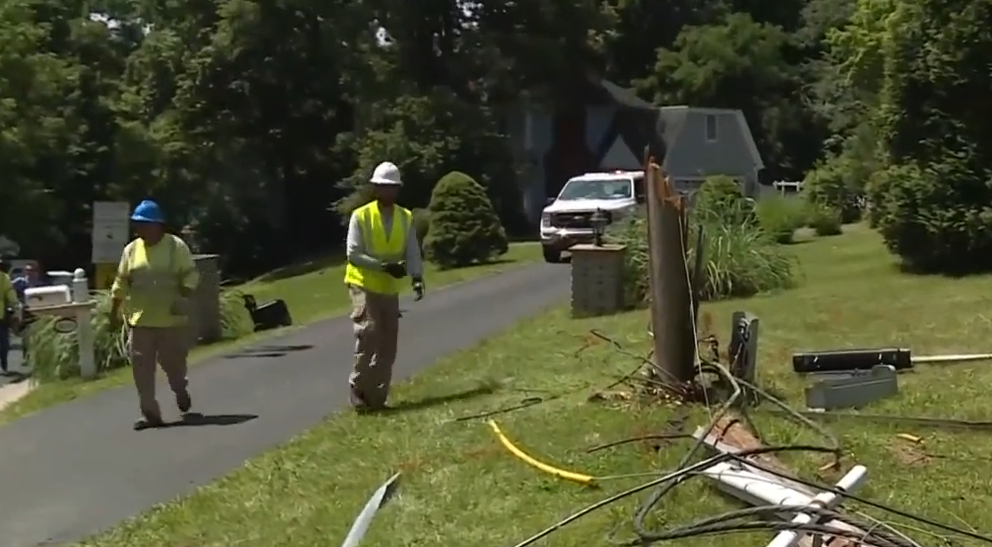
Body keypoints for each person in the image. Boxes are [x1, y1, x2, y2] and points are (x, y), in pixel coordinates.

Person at [110, 200, 200, 428]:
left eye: (145, 224)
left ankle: (179, 388)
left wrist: (184, 295)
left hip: (170, 319)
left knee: (173, 363)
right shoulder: (131, 250)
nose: (140, 229)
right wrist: (114, 311)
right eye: (137, 225)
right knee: (141, 366)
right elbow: (121, 282)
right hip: (140, 320)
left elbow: (190, 275)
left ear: (158, 225)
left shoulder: (175, 247)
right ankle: (149, 411)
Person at [344, 161, 425, 412]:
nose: (387, 192)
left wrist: (416, 277)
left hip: (388, 288)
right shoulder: (361, 216)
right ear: (375, 189)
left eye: (392, 188)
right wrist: (382, 266)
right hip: (363, 283)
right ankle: (358, 385)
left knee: (388, 344)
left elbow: (412, 249)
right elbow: (353, 253)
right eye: (383, 187)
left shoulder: (405, 217)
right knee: (369, 331)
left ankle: (376, 398)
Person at [11, 261, 47, 360]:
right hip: (24, 310)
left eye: (32, 270)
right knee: (25, 334)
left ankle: (36, 355)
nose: (29, 273)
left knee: (37, 333)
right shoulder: (19, 282)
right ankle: (26, 355)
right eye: (27, 270)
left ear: (37, 272)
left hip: (37, 309)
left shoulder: (41, 285)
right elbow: (8, 290)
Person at [0, 259, 17, 375]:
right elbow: (10, 295)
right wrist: (14, 305)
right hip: (0, 314)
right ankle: (3, 364)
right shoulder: (4, 277)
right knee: (3, 341)